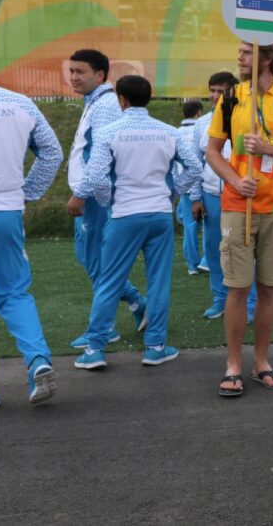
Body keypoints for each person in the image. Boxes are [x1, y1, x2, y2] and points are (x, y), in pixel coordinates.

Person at [68, 75, 202, 369]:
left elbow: (96, 176)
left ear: (121, 100)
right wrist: (173, 191)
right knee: (158, 281)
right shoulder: (169, 131)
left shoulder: (109, 132)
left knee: (109, 281)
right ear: (149, 98)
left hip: (124, 214)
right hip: (159, 215)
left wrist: (107, 201)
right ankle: (155, 346)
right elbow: (194, 166)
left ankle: (95, 348)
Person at [205, 41, 273, 396]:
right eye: (238, 51)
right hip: (238, 204)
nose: (238, 57)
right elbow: (212, 151)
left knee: (269, 288)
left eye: (246, 53)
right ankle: (233, 364)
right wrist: (235, 180)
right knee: (237, 287)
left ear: (267, 59)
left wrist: (268, 149)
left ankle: (261, 361)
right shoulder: (232, 97)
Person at [0, 44, 62, 410]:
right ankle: (37, 360)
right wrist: (25, 194)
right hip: (6, 211)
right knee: (13, 294)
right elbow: (52, 152)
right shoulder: (20, 102)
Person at [66, 49, 146, 347]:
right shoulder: (95, 102)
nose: (74, 76)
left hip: (95, 199)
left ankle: (106, 327)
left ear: (99, 75)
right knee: (89, 258)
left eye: (80, 71)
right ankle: (138, 304)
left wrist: (82, 194)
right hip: (91, 196)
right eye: (71, 70)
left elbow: (100, 157)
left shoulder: (105, 105)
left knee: (98, 260)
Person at [190, 71, 239, 319]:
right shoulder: (201, 125)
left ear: (233, 92)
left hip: (240, 195)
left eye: (221, 91)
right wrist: (195, 198)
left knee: (240, 248)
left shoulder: (246, 119)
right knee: (213, 248)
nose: (215, 96)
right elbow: (195, 164)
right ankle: (220, 298)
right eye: (212, 90)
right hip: (211, 195)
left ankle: (247, 302)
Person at [176, 100, 203, 275]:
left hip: (184, 185)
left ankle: (192, 265)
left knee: (189, 225)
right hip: (203, 184)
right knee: (210, 224)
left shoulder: (176, 133)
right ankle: (210, 261)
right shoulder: (201, 129)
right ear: (199, 113)